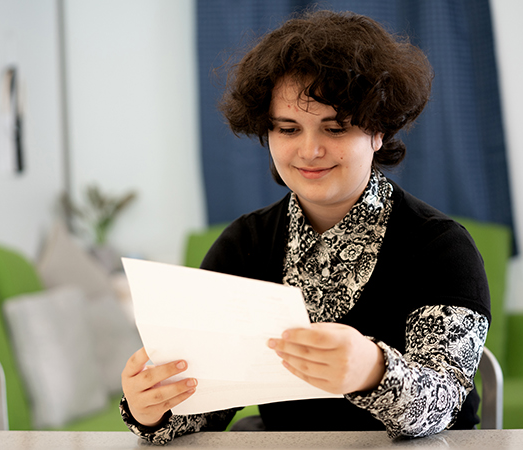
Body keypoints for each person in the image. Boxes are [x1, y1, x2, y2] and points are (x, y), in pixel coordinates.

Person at [116, 10, 491, 444]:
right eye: (288, 128)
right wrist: (152, 410)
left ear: (379, 131)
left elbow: (442, 403)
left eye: (335, 127)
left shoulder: (440, 247)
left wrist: (372, 370)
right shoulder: (243, 246)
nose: (310, 149)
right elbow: (206, 408)